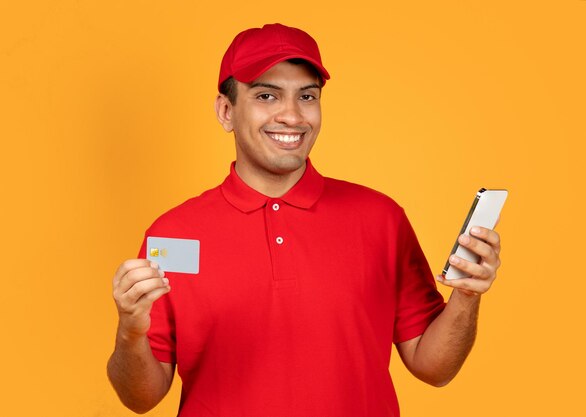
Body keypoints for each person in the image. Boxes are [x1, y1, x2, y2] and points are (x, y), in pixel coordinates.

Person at [107, 23, 502, 416]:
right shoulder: (174, 237)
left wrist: (467, 295)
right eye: (267, 95)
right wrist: (131, 331)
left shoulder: (381, 219)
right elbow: (141, 398)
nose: (292, 116)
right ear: (226, 111)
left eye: (307, 96)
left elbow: (434, 368)